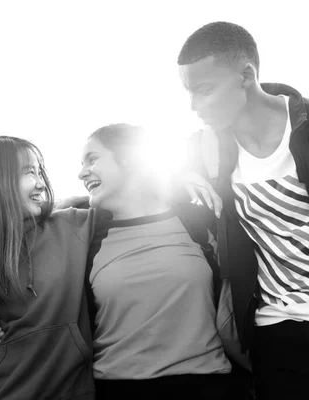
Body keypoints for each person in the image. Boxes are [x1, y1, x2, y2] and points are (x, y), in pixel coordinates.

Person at [178, 21, 309, 399]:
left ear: (246, 76)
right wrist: (182, 178)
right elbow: (148, 187)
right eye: (189, 92)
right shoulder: (206, 151)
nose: (194, 106)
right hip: (277, 331)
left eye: (205, 90)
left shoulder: (303, 127)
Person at [77, 124, 233, 399]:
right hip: (118, 388)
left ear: (128, 159)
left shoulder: (199, 218)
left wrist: (177, 178)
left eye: (92, 159)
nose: (82, 172)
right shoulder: (85, 235)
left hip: (208, 385)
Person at [0, 136, 96, 400]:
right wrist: (0, 337)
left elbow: (119, 201)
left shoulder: (73, 226)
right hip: (1, 389)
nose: (41, 182)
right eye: (30, 173)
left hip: (72, 390)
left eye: (40, 171)